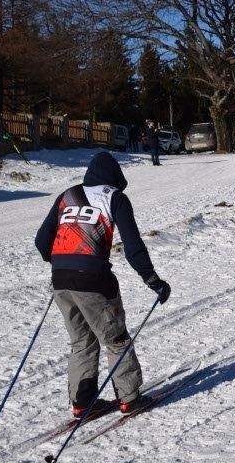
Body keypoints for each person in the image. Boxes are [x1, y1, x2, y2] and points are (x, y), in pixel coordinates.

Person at [34, 151, 171, 416]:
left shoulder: (67, 195)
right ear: (115, 177)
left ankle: (82, 402)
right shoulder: (114, 197)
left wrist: (62, 263)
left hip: (60, 277)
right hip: (94, 278)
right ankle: (129, 398)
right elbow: (133, 245)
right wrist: (152, 280)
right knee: (116, 338)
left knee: (81, 341)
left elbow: (42, 241)